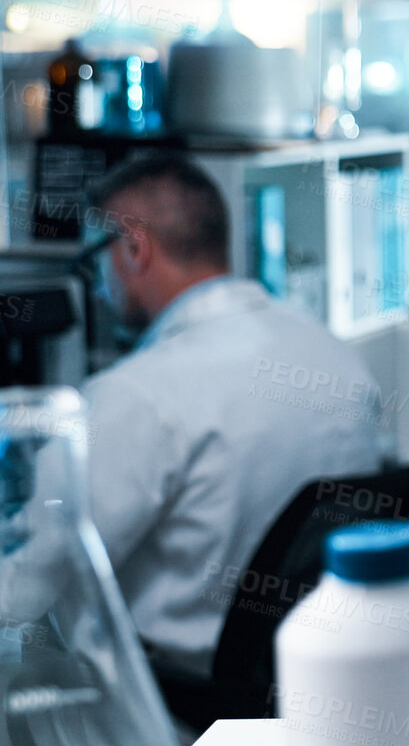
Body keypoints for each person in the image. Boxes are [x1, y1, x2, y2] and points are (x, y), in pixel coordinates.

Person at [80, 155, 384, 675]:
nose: (96, 286)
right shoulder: (332, 354)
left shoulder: (134, 394)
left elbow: (38, 573)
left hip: (179, 701)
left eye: (94, 261)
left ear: (133, 248)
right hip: (316, 675)